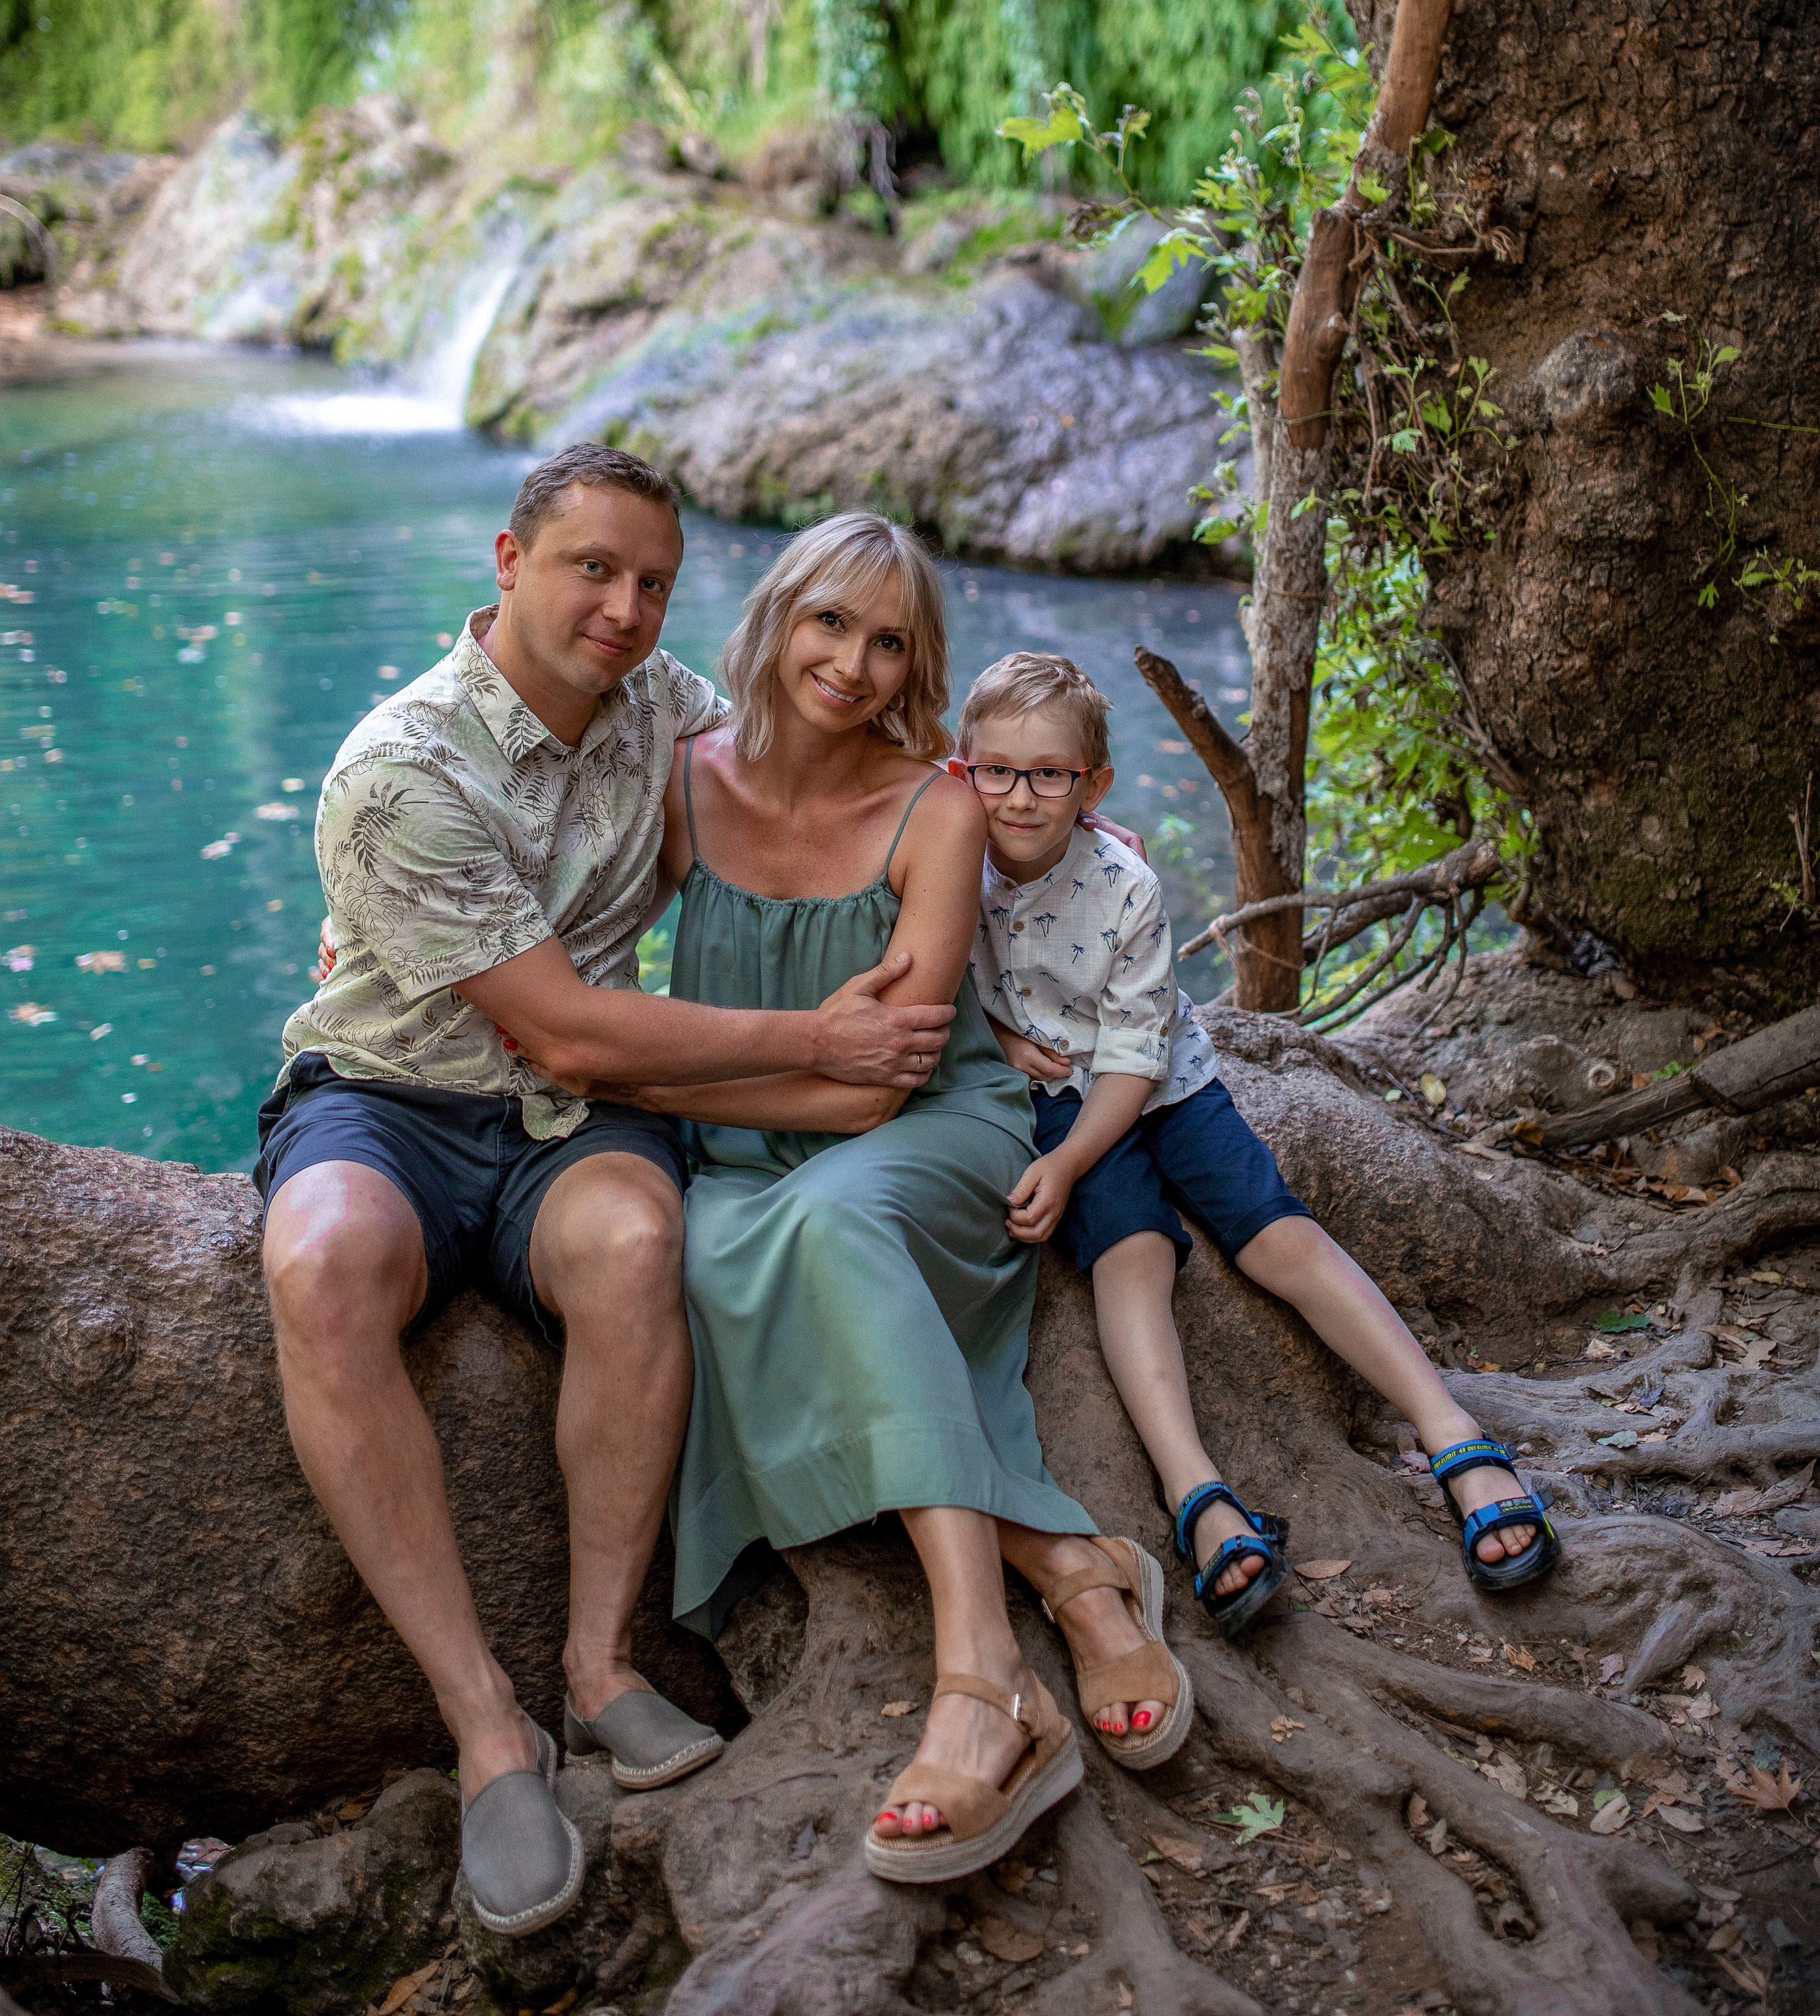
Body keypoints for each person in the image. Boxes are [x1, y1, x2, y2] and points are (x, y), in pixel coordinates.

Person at [262, 447, 960, 1938]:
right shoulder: (402, 770)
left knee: (638, 1238)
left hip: (575, 1121)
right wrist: (813, 1040)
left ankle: (601, 1670)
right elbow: (565, 1022)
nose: (625, 608)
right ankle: (488, 1730)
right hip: (392, 1098)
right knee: (320, 1267)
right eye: (593, 569)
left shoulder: (662, 710)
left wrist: (1028, 817)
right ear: (508, 562)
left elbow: (813, 747)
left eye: (652, 583)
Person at [542, 512, 1201, 1886]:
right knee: (705, 1257)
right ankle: (1074, 1572)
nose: (849, 661)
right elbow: (572, 931)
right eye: (830, 621)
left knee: (836, 1216)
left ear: (916, 671)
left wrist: (665, 1075)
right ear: (780, 616)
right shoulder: (685, 779)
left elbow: (868, 1090)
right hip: (729, 1155)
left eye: (888, 641)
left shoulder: (938, 806)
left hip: (933, 1129)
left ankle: (983, 1685)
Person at [953, 651, 1558, 1626]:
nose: (1020, 797)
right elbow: (936, 977)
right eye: (998, 770)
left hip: (1161, 1083)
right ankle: (1197, 1493)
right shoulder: (950, 865)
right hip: (1054, 1097)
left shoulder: (1125, 882)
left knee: (1280, 1237)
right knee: (1132, 1255)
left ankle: (1453, 1432)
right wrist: (1006, 1043)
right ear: (963, 768)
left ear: (1092, 784)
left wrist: (1065, 1165)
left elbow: (1139, 1055)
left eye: (1050, 773)